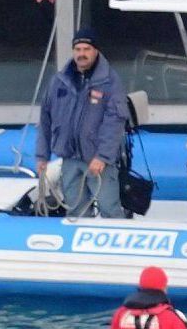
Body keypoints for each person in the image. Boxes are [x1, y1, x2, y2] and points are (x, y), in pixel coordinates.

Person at [35, 28, 130, 218]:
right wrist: (42, 156)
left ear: (96, 51)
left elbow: (115, 121)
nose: (82, 54)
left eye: (86, 49)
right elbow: (45, 119)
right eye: (78, 49)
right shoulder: (59, 81)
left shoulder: (110, 82)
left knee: (108, 208)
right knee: (76, 211)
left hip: (97, 159)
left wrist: (102, 156)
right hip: (70, 158)